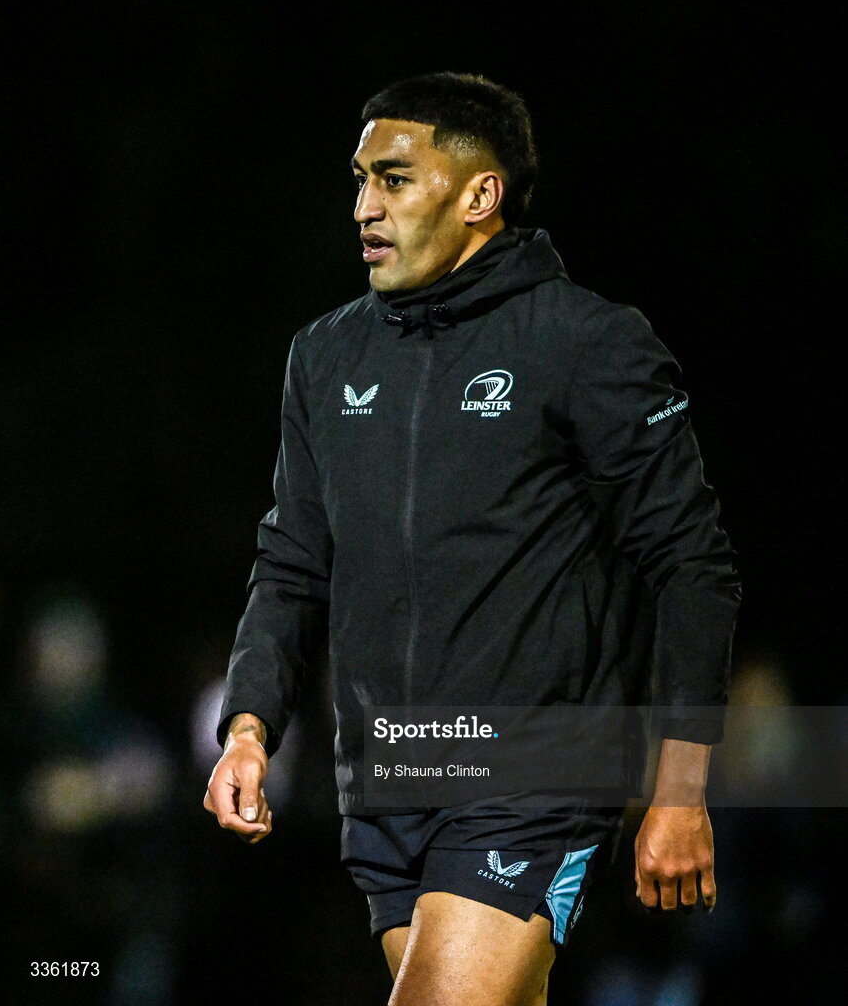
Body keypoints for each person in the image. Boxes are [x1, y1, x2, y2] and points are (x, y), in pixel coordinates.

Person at [203, 72, 741, 1005]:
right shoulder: (325, 356)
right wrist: (250, 729)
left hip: (534, 774)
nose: (364, 207)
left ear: (479, 195)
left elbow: (693, 566)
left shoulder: (586, 342)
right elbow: (291, 566)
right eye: (361, 179)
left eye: (396, 179)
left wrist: (680, 787)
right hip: (388, 776)